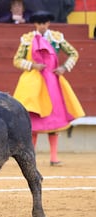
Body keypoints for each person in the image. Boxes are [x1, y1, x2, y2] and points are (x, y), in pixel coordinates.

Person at [12, 10, 85, 166]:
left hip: (52, 81)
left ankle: (53, 157)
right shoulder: (27, 39)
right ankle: (32, 158)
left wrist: (64, 67)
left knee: (54, 118)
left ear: (48, 23)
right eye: (39, 23)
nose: (42, 26)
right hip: (34, 84)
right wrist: (32, 65)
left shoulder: (56, 38)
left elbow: (73, 53)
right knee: (34, 121)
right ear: (35, 24)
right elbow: (17, 60)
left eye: (44, 23)